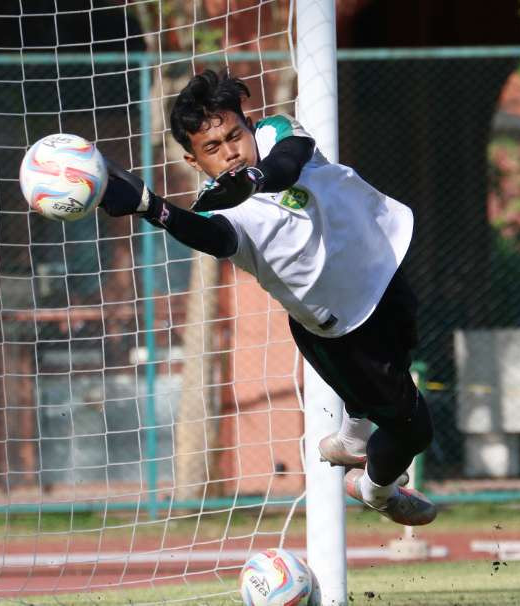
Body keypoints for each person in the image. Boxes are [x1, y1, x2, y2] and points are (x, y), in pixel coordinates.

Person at [98, 69, 435, 526]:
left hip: (385, 268)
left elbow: (289, 161)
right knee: (413, 429)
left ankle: (353, 439)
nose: (231, 151)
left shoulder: (276, 134)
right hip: (340, 328)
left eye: (234, 135)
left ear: (248, 125)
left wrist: (256, 178)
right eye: (212, 149)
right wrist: (149, 206)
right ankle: (376, 490)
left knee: (403, 353)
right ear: (193, 161)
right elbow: (214, 238)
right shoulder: (216, 208)